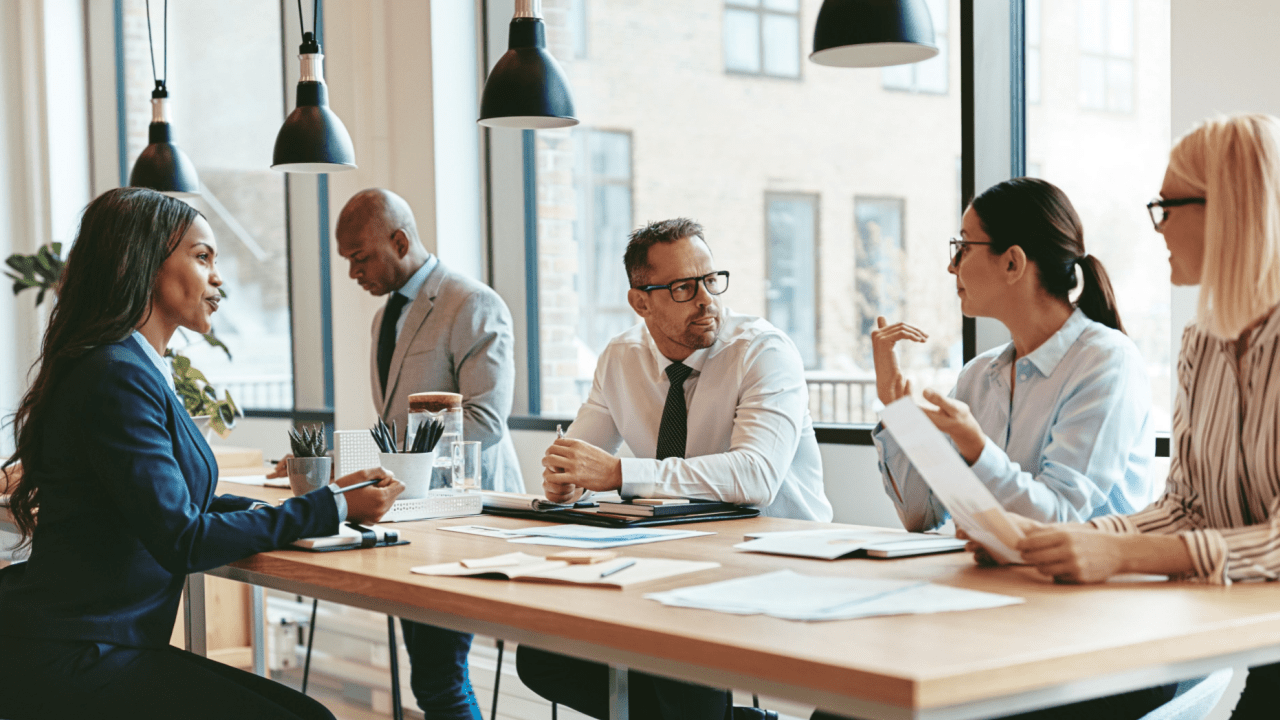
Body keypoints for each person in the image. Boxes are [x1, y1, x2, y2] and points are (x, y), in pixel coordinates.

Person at [0, 187, 402, 720]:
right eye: (202, 256)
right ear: (141, 262)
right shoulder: (117, 374)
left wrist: (283, 510)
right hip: (79, 655)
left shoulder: (125, 365)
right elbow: (182, 540)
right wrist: (332, 507)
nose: (219, 279)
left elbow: (176, 503)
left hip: (95, 642)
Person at [997, 114, 1280, 720]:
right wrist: (1065, 541)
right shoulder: (1202, 344)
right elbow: (1186, 507)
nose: (1159, 228)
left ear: (1224, 209)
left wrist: (1121, 556)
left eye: (1167, 207)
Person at [516, 218, 831, 720]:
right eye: (685, 287)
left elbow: (755, 477)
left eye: (711, 280)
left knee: (671, 655)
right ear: (641, 301)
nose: (707, 299)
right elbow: (578, 458)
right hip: (672, 555)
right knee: (544, 656)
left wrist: (620, 473)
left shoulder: (763, 353)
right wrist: (564, 481)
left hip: (776, 556)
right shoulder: (621, 358)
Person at [871, 178, 1160, 532]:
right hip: (997, 579)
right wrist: (896, 410)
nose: (952, 266)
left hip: (1087, 586)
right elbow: (923, 515)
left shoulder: (1107, 362)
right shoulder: (978, 376)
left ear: (1012, 263)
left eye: (964, 246)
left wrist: (975, 448)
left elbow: (1060, 518)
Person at [336, 187, 523, 719]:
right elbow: (393, 424)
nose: (354, 273)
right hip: (412, 519)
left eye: (360, 257)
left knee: (439, 679)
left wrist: (405, 462)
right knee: (432, 678)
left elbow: (485, 421)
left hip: (466, 515)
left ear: (399, 240)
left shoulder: (472, 303)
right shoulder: (382, 320)